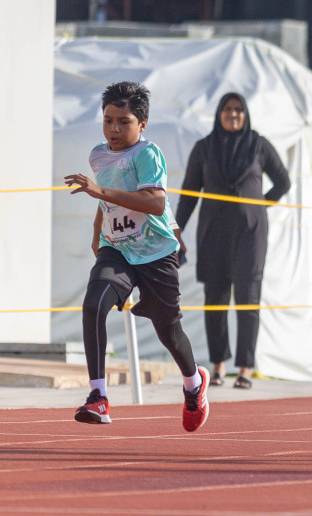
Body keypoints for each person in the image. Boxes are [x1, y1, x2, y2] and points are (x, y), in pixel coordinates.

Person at [64, 82, 210, 431]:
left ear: (141, 124)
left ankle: (194, 383)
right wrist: (98, 230)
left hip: (157, 253)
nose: (114, 129)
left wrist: (99, 190)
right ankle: (97, 397)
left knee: (168, 331)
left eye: (124, 122)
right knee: (93, 303)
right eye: (108, 120)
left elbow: (155, 202)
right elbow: (108, 197)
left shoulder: (147, 154)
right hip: (118, 249)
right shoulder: (98, 155)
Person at [174, 92, 292, 388]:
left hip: (250, 236)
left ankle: (245, 368)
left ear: (246, 114)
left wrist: (259, 206)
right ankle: (217, 366)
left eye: (239, 109)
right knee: (215, 300)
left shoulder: (258, 145)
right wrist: (176, 230)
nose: (234, 114)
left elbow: (283, 181)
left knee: (247, 299)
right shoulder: (204, 148)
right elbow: (189, 192)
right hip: (213, 234)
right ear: (219, 113)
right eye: (227, 109)